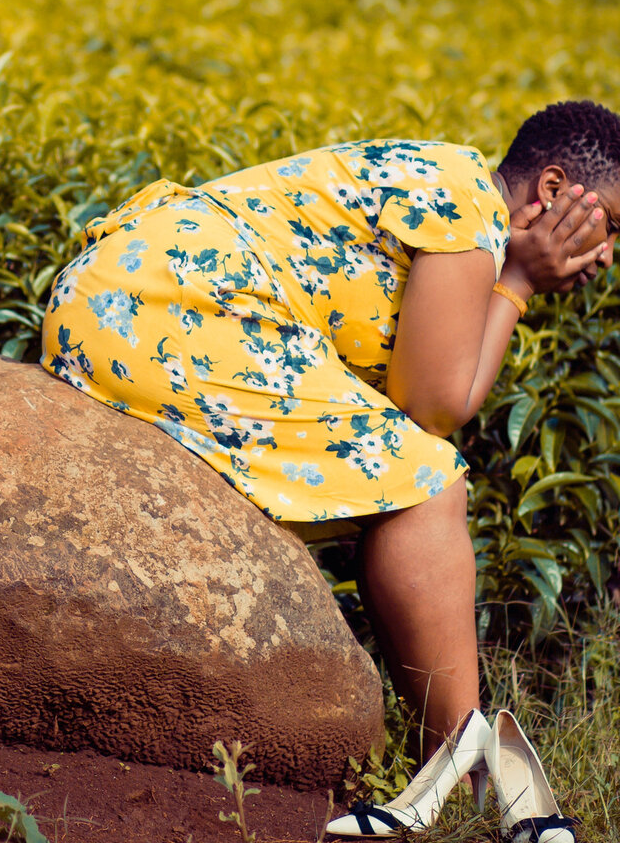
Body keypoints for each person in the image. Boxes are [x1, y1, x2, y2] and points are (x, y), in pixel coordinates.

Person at [41, 102, 620, 765]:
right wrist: (517, 280)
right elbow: (432, 406)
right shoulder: (469, 211)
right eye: (612, 226)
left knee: (410, 468)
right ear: (551, 192)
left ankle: (451, 756)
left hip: (123, 292)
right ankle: (464, 766)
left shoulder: (450, 180)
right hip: (165, 307)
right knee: (430, 485)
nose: (606, 257)